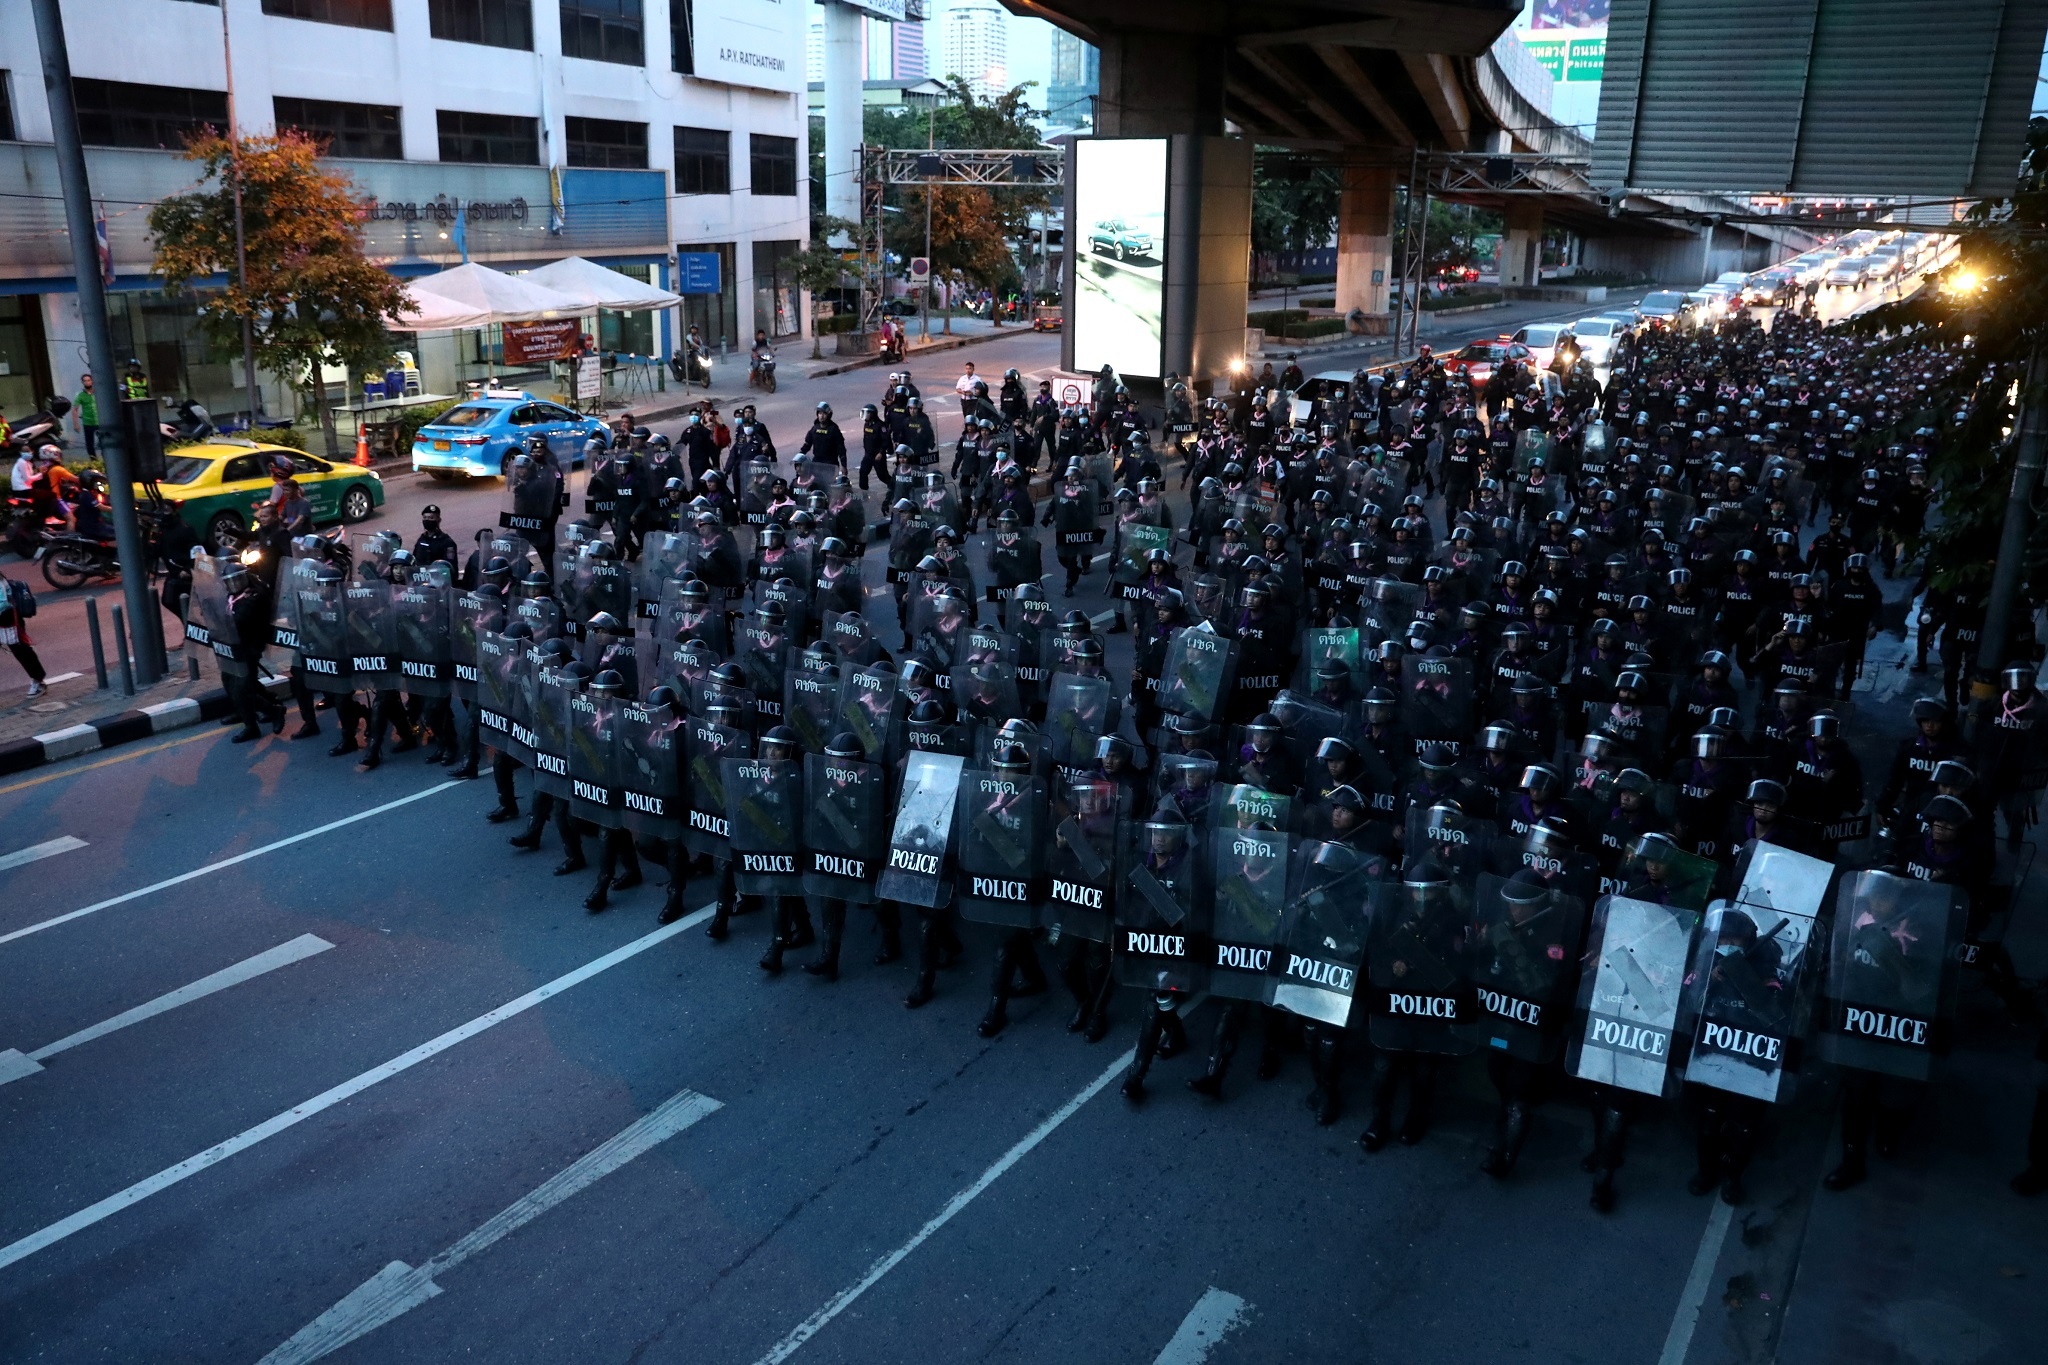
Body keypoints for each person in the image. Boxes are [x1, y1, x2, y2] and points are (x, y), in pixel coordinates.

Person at [0, 575, 48, 698]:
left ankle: (38, 680)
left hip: (7, 618)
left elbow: (3, 603)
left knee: (21, 651)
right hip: (6, 618)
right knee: (21, 650)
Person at [70, 374, 98, 457]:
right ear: (82, 382)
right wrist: (76, 424)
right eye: (85, 381)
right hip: (88, 422)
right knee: (90, 444)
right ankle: (93, 460)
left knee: (104, 441)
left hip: (100, 421)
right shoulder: (80, 395)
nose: (87, 382)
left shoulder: (97, 393)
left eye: (88, 380)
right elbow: (75, 409)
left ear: (92, 381)